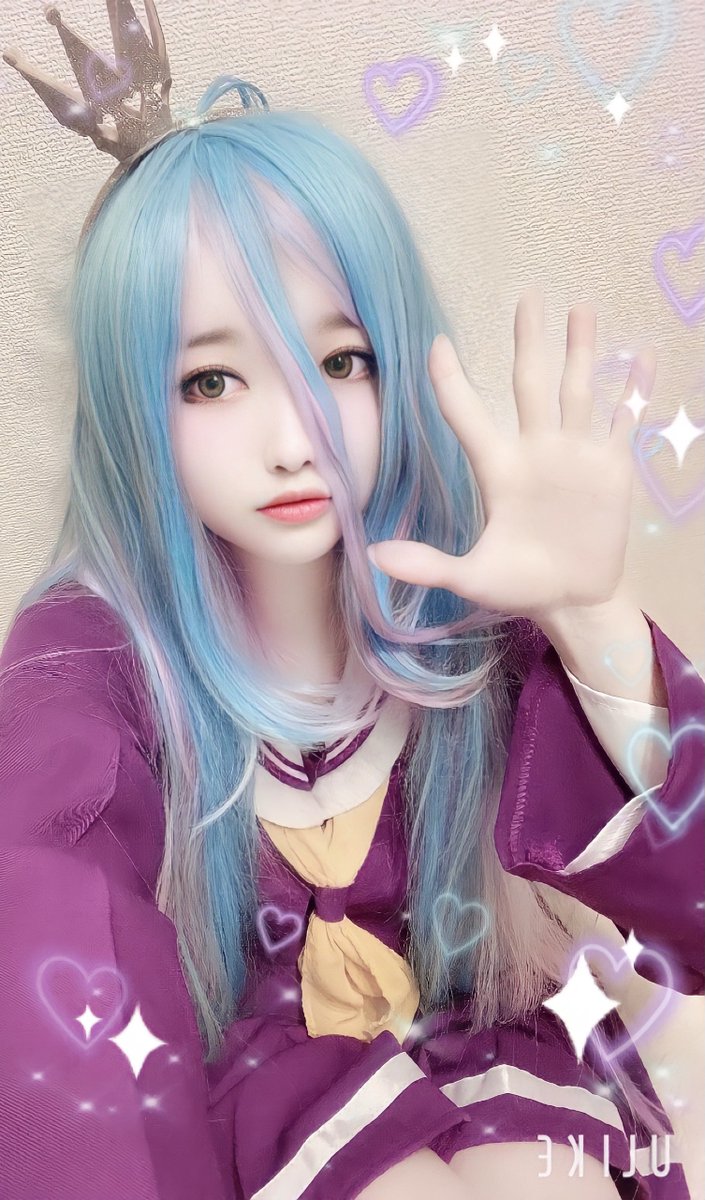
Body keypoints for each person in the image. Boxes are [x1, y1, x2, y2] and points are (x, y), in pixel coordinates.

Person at [1, 5, 703, 1199]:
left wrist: (591, 616)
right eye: (210, 380)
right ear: (129, 406)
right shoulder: (92, 659)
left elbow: (688, 908)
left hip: (480, 1042)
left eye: (340, 363)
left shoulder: (462, 592)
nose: (294, 438)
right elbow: (50, 933)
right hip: (254, 1082)